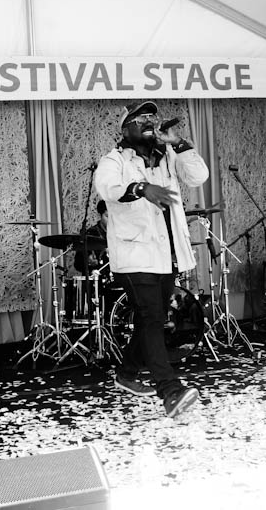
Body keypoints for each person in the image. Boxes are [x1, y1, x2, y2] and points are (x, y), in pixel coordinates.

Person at [94, 101, 208, 418]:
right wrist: (142, 188)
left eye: (151, 117)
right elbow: (108, 188)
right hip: (133, 256)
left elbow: (198, 176)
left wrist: (179, 142)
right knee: (153, 317)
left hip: (165, 256)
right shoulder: (114, 160)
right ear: (125, 128)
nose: (148, 121)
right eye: (140, 118)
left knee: (150, 320)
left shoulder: (167, 156)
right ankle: (170, 391)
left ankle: (126, 373)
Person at [73, 199, 108, 275]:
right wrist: (88, 262)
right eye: (107, 216)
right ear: (99, 215)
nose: (111, 220)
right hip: (95, 277)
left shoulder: (120, 234)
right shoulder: (90, 233)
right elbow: (77, 264)